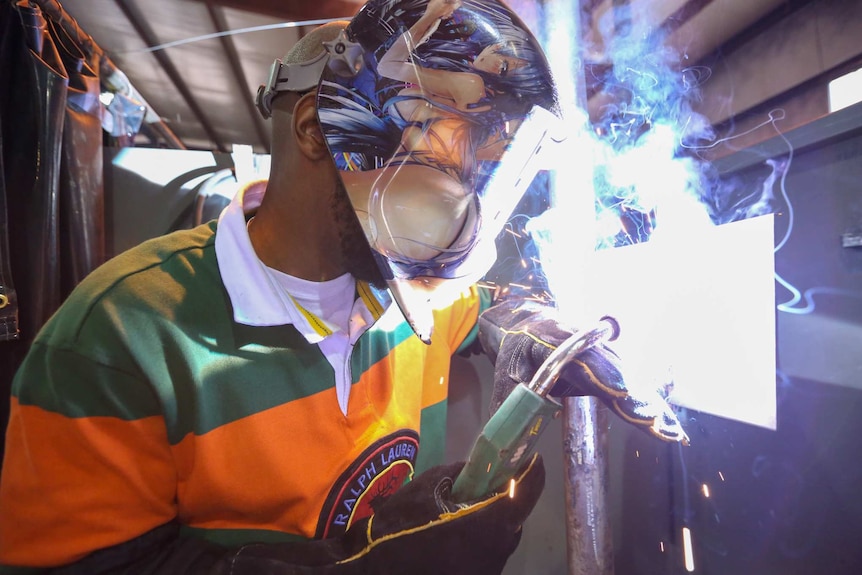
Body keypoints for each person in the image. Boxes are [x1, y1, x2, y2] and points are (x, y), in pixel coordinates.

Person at [0, 1, 687, 573]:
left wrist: (539, 328)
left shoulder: (410, 294)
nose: (451, 218)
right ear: (314, 131)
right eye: (432, 164)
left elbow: (484, 309)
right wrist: (354, 563)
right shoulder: (118, 338)